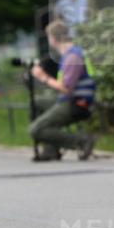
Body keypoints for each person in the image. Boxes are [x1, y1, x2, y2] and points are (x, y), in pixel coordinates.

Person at [29, 20, 96, 161]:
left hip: (76, 103)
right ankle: (50, 149)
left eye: (48, 37)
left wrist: (43, 77)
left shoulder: (73, 57)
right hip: (69, 99)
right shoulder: (69, 55)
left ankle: (81, 141)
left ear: (53, 38)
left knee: (35, 130)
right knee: (36, 102)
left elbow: (66, 88)